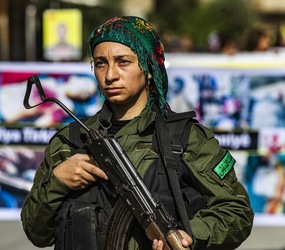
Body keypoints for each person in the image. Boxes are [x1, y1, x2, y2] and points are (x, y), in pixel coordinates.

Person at [21, 16, 254, 250]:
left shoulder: (185, 138)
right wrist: (58, 181)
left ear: (149, 68)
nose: (110, 75)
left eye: (123, 62)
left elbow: (236, 213)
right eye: (101, 63)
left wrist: (190, 236)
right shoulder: (69, 141)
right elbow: (36, 233)